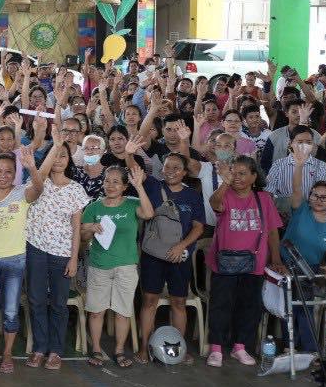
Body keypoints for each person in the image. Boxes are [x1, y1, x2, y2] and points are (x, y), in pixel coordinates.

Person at [206, 155, 287, 367]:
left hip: (254, 262)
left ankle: (239, 347)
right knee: (220, 305)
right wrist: (225, 181)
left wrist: (275, 259)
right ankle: (216, 348)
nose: (237, 177)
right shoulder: (225, 194)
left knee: (249, 306)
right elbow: (214, 203)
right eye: (233, 172)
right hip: (224, 262)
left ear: (254, 177)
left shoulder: (264, 199)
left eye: (242, 173)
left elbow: (272, 231)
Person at [0, 147, 43, 374]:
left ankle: (8, 353)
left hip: (15, 259)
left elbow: (39, 189)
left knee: (11, 311)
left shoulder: (22, 193)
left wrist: (32, 166)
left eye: (9, 171)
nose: (3, 175)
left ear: (15, 174)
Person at [24, 134, 89, 370]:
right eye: (55, 154)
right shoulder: (39, 182)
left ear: (70, 160)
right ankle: (40, 348)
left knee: (59, 303)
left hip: (62, 253)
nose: (59, 159)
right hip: (35, 249)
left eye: (64, 155)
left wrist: (73, 258)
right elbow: (38, 177)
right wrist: (55, 144)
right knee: (36, 299)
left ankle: (56, 351)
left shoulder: (76, 190)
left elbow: (76, 229)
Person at [81, 163, 154, 369]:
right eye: (107, 181)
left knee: (122, 312)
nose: (110, 185)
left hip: (126, 267)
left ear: (124, 187)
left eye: (116, 182)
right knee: (96, 311)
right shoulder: (94, 207)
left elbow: (148, 214)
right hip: (99, 265)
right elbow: (83, 237)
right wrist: (90, 228)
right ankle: (96, 348)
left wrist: (139, 186)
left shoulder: (132, 204)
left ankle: (119, 350)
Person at [137, 153, 206, 365]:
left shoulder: (192, 195)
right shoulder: (152, 187)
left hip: (180, 256)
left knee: (179, 302)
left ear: (185, 172)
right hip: (153, 256)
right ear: (162, 169)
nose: (171, 171)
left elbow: (198, 227)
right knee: (149, 301)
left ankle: (179, 349)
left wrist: (182, 246)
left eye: (177, 168)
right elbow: (132, 166)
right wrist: (131, 151)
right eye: (168, 167)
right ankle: (144, 348)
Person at [282, 172, 326, 356]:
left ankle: (307, 350)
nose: (318, 199)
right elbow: (296, 189)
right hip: (287, 265)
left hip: (311, 270)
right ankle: (291, 346)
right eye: (315, 195)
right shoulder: (300, 210)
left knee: (304, 308)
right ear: (310, 196)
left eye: (324, 197)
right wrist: (299, 165)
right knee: (290, 306)